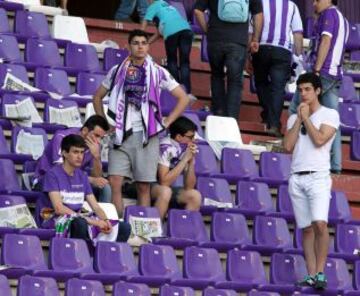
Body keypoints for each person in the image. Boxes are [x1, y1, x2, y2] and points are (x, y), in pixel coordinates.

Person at [93, 29, 189, 217]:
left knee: (143, 186)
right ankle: (117, 225)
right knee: (114, 181)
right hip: (120, 133)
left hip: (147, 135)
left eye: (143, 43)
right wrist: (105, 124)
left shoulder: (158, 72)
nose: (140, 46)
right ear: (129, 46)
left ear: (148, 46)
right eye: (136, 43)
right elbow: (97, 97)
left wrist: (168, 121)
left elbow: (183, 98)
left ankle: (141, 229)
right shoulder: (116, 70)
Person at [283, 73, 340, 289]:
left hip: (318, 176)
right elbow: (287, 146)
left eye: (307, 89)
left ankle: (320, 272)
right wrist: (299, 118)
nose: (303, 93)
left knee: (320, 223)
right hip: (297, 176)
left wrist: (306, 118)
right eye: (300, 89)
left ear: (317, 91)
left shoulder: (330, 114)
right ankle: (310, 273)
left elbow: (319, 140)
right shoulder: (293, 117)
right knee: (306, 228)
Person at [288, 0, 349, 174]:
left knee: (294, 108)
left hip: (322, 72)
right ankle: (336, 166)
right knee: (332, 120)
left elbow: (325, 41)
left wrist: (315, 70)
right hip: (335, 74)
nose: (314, 4)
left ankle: (291, 146)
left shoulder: (329, 14)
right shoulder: (343, 19)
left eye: (317, 0)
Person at [43, 134, 131, 243]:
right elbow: (59, 208)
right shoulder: (52, 174)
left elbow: (96, 207)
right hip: (57, 219)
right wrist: (93, 222)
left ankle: (107, 257)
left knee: (123, 227)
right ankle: (79, 257)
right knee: (80, 223)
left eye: (82, 152)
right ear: (64, 153)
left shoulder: (82, 176)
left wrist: (105, 220)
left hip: (80, 218)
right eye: (75, 152)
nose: (80, 156)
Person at [194, 0, 263, 120]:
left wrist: (207, 31)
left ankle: (219, 114)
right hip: (238, 42)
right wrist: (255, 39)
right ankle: (231, 119)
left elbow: (197, 11)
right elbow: (258, 15)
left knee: (217, 75)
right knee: (235, 81)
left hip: (216, 39)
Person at [251, 0, 303, 138]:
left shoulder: (259, 3)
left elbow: (251, 29)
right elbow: (297, 33)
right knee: (278, 88)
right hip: (282, 51)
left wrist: (247, 54)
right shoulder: (292, 6)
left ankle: (268, 113)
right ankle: (273, 124)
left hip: (261, 47)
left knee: (261, 83)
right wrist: (298, 56)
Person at [33, 115, 112, 203]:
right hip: (47, 179)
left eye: (101, 138)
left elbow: (97, 177)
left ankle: (102, 216)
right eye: (96, 135)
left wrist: (96, 157)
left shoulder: (94, 146)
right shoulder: (62, 137)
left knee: (105, 187)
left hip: (74, 181)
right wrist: (91, 180)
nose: (98, 141)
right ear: (85, 130)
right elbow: (60, 173)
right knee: (65, 184)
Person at [141, 0, 195, 99]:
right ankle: (187, 92)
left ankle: (177, 91)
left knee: (172, 61)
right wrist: (146, 43)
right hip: (187, 30)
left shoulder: (153, 6)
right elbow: (158, 33)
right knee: (185, 63)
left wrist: (139, 37)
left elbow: (145, 21)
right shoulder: (167, 6)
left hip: (171, 31)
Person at [152, 116, 201, 219]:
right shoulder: (165, 147)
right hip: (145, 184)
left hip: (163, 188)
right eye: (191, 137)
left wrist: (191, 161)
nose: (193, 140)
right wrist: (184, 160)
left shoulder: (184, 148)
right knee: (165, 191)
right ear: (179, 137)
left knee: (194, 196)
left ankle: (182, 231)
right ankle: (155, 231)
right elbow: (164, 181)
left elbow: (189, 187)